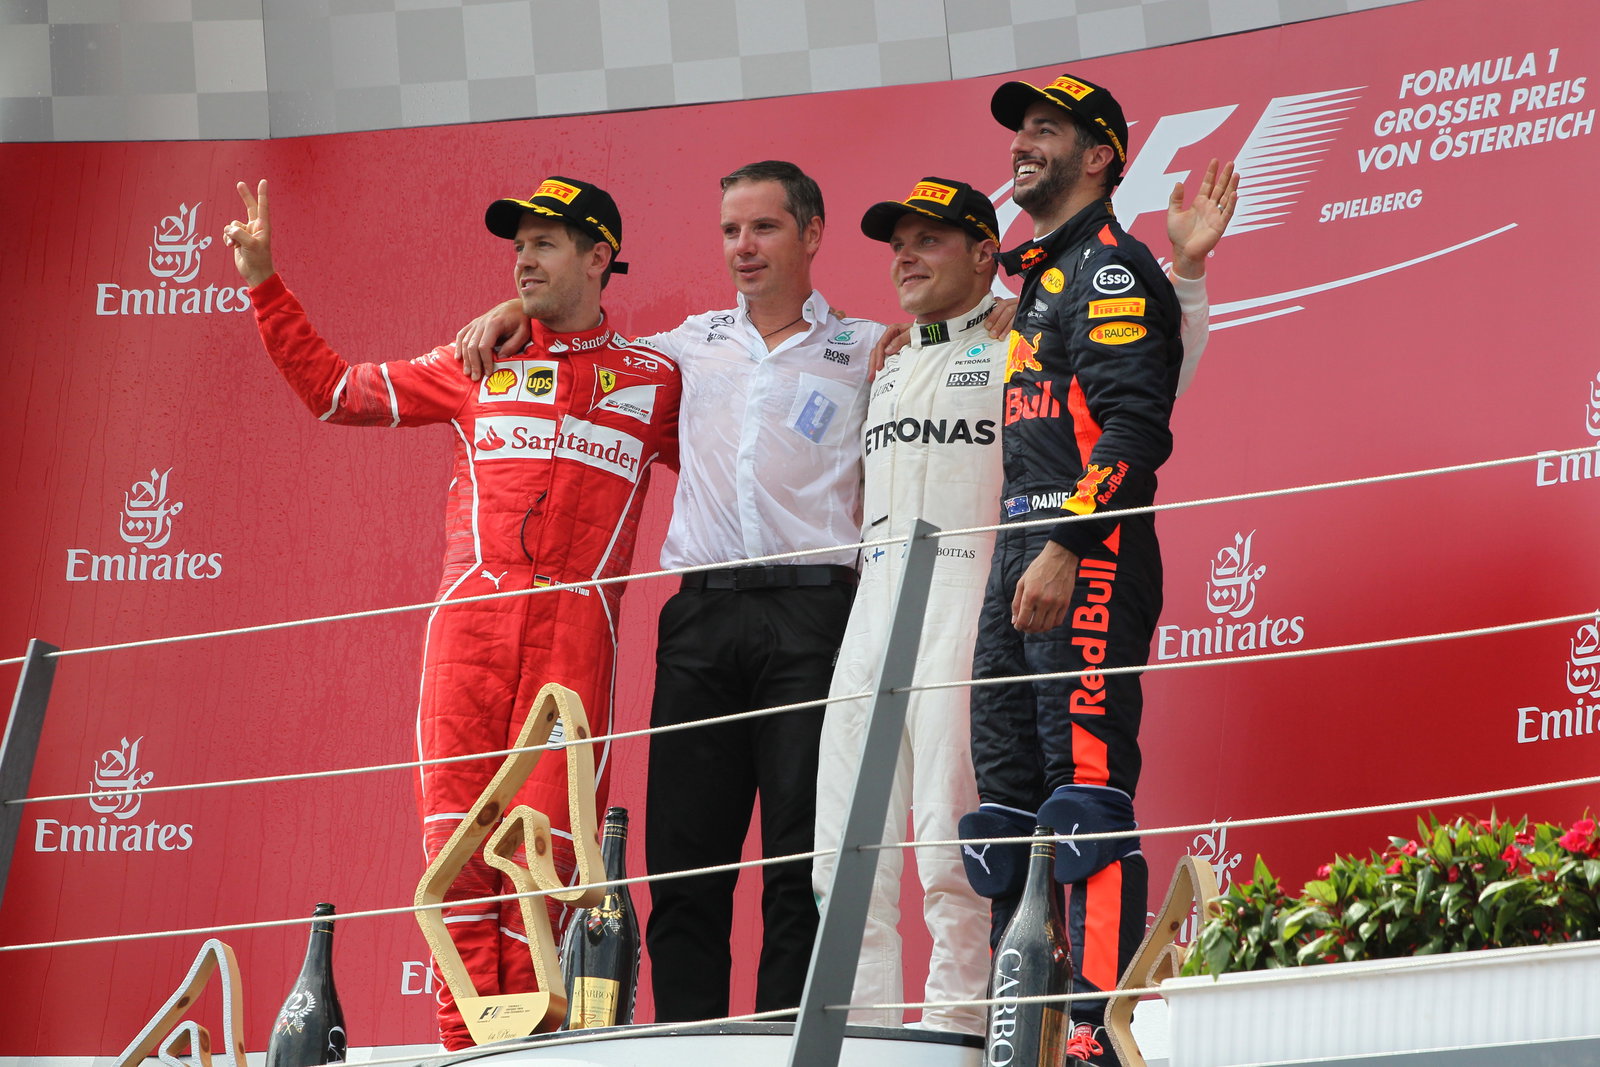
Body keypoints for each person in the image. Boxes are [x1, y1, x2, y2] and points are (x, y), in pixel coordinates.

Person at [224, 176, 680, 1050]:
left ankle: (536, 1048)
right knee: (455, 856)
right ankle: (463, 1046)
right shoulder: (478, 359)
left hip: (576, 642)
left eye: (544, 244)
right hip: (467, 636)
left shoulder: (657, 379)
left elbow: (749, 434)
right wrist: (265, 282)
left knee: (547, 859)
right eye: (517, 247)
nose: (523, 259)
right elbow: (336, 392)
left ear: (598, 258)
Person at [452, 161, 893, 1022]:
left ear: (810, 233)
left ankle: (778, 1039)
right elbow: (586, 341)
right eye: (730, 231)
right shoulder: (684, 347)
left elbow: (958, 345)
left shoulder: (868, 346)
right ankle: (687, 1037)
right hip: (703, 614)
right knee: (685, 856)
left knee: (801, 854)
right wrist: (520, 309)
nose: (743, 248)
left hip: (816, 610)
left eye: (763, 228)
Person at [814, 159, 1231, 1037]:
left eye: (928, 240)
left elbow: (1155, 376)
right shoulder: (875, 357)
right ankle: (862, 1040)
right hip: (873, 604)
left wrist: (1186, 275)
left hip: (975, 595)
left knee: (948, 846)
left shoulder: (1018, 333)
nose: (907, 258)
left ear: (983, 251)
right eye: (898, 245)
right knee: (841, 854)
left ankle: (960, 1030)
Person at [957, 73, 1237, 1064]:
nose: (1023, 143)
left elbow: (1133, 428)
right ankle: (1016, 1025)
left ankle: (1093, 1030)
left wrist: (1068, 546)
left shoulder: (1112, 270)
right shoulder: (1042, 273)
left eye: (1046, 130)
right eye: (1019, 130)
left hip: (1085, 549)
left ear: (1100, 155)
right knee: (1003, 803)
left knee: (1082, 795)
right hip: (1019, 549)